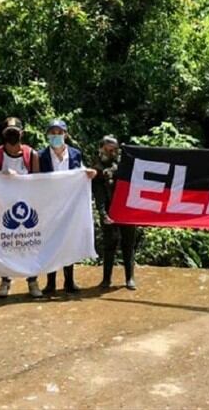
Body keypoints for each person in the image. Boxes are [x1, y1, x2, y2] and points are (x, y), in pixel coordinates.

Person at [37, 119, 96, 295]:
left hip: (70, 208)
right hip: (49, 208)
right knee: (50, 244)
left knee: (68, 242)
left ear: (65, 134)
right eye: (52, 133)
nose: (56, 136)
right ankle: (50, 283)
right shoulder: (40, 156)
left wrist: (89, 173)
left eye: (59, 132)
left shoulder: (76, 154)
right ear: (47, 135)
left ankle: (69, 281)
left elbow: (81, 172)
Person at [0, 117, 43, 298]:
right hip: (4, 207)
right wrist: (1, 175)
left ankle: (32, 281)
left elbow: (38, 181)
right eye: (8, 132)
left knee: (29, 243)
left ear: (22, 133)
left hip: (27, 206)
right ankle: (5, 281)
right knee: (6, 244)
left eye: (15, 132)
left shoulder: (31, 154)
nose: (12, 136)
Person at [92, 136, 138, 290]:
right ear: (101, 148)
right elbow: (98, 194)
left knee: (128, 245)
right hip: (110, 211)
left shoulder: (126, 165)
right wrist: (102, 213)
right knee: (109, 245)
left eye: (114, 150)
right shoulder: (97, 169)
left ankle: (130, 278)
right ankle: (106, 279)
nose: (110, 153)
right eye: (107, 149)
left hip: (127, 211)